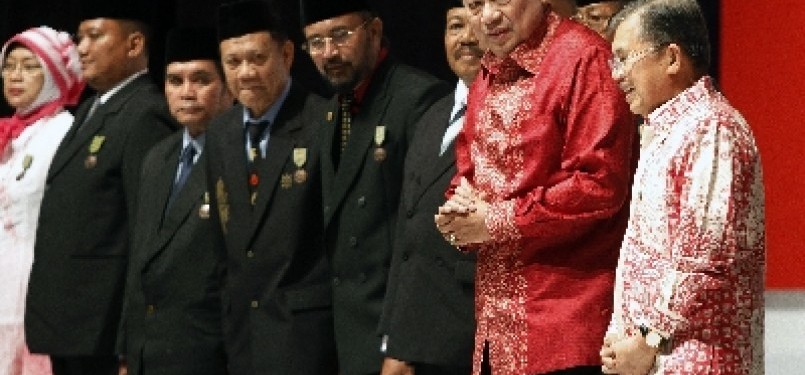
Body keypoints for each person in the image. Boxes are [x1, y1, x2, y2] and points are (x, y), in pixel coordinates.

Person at [434, 0, 636, 374]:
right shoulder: (488, 71)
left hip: (566, 327)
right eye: (476, 5)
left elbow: (599, 183)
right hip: (495, 330)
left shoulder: (584, 57)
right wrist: (457, 216)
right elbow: (466, 175)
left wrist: (495, 221)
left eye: (502, 0)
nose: (489, 15)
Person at [600, 1, 765, 374]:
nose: (616, 75)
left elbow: (705, 263)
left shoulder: (713, 129)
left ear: (672, 58)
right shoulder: (671, 131)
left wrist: (647, 341)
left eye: (625, 58)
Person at [24, 3, 178, 374]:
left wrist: (130, 337)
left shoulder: (144, 113)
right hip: (71, 325)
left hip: (103, 330)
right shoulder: (93, 108)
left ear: (134, 43)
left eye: (96, 36)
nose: (83, 48)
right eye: (80, 38)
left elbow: (145, 236)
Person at [299, 0, 450, 374]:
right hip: (349, 336)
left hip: (397, 339)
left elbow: (422, 240)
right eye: (315, 42)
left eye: (340, 35)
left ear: (375, 30)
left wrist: (402, 343)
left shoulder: (418, 99)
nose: (329, 53)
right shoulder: (330, 111)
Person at [206, 1, 337, 374]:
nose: (245, 73)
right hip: (241, 339)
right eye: (232, 63)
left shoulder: (323, 122)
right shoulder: (220, 133)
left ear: (287, 53)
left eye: (257, 58)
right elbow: (223, 241)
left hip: (305, 339)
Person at [379, 1, 482, 374]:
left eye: (476, 26)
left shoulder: (515, 111)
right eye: (455, 26)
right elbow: (408, 235)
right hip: (419, 336)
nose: (467, 38)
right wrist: (395, 338)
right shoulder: (431, 116)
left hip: (471, 332)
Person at [122, 27, 232, 375]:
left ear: (228, 87)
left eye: (201, 79)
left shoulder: (242, 155)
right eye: (175, 81)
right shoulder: (157, 157)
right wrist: (126, 351)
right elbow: (141, 258)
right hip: (147, 352)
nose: (187, 93)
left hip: (207, 352)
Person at [0, 26, 84, 375]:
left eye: (30, 66)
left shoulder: (65, 133)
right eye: (10, 65)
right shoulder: (9, 134)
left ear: (53, 72)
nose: (15, 76)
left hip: (33, 292)